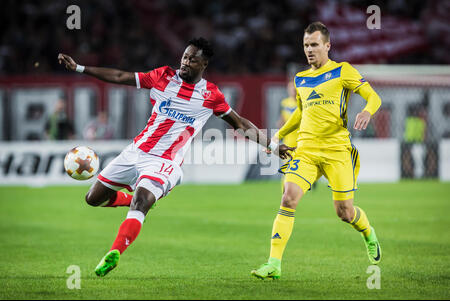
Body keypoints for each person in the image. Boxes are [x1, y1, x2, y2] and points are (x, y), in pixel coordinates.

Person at [58, 38, 294, 277]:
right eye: (184, 56)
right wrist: (79, 68)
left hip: (165, 162)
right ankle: (127, 202)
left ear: (203, 64)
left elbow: (241, 124)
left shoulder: (210, 95)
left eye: (192, 59)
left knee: (142, 201)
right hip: (135, 151)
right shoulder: (162, 76)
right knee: (93, 198)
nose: (185, 62)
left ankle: (114, 252)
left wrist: (274, 146)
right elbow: (120, 77)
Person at [251, 22, 382, 280]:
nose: (309, 50)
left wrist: (367, 111)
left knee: (344, 212)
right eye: (306, 45)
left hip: (337, 151)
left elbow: (373, 96)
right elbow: (301, 112)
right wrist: (277, 135)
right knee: (288, 198)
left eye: (314, 45)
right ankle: (274, 264)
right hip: (307, 150)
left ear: (327, 45)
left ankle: (368, 233)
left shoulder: (343, 71)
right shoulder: (301, 79)